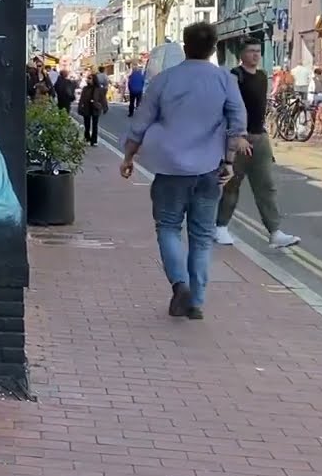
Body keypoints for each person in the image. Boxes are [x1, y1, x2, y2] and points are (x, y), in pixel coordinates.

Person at [120, 22, 248, 321]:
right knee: (202, 237)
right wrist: (229, 161)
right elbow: (237, 121)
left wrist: (128, 156)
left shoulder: (165, 80)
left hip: (170, 169)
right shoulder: (224, 80)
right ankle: (197, 301)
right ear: (214, 48)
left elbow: (141, 122)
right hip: (210, 169)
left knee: (168, 228)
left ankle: (180, 285)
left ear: (185, 47)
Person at [215, 42, 301, 249]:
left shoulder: (263, 76)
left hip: (259, 137)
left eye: (258, 52)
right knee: (232, 184)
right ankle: (220, 227)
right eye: (251, 52)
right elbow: (227, 109)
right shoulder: (235, 76)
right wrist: (237, 137)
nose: (255, 55)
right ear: (242, 54)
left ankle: (275, 232)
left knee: (266, 186)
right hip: (239, 139)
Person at [77, 73, 107, 146]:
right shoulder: (85, 88)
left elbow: (103, 99)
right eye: (88, 78)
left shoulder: (99, 89)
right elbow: (82, 99)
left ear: (94, 79)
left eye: (90, 78)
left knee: (95, 125)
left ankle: (94, 141)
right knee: (87, 125)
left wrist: (105, 107)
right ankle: (87, 138)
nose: (88, 80)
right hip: (87, 107)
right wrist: (80, 107)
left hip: (95, 108)